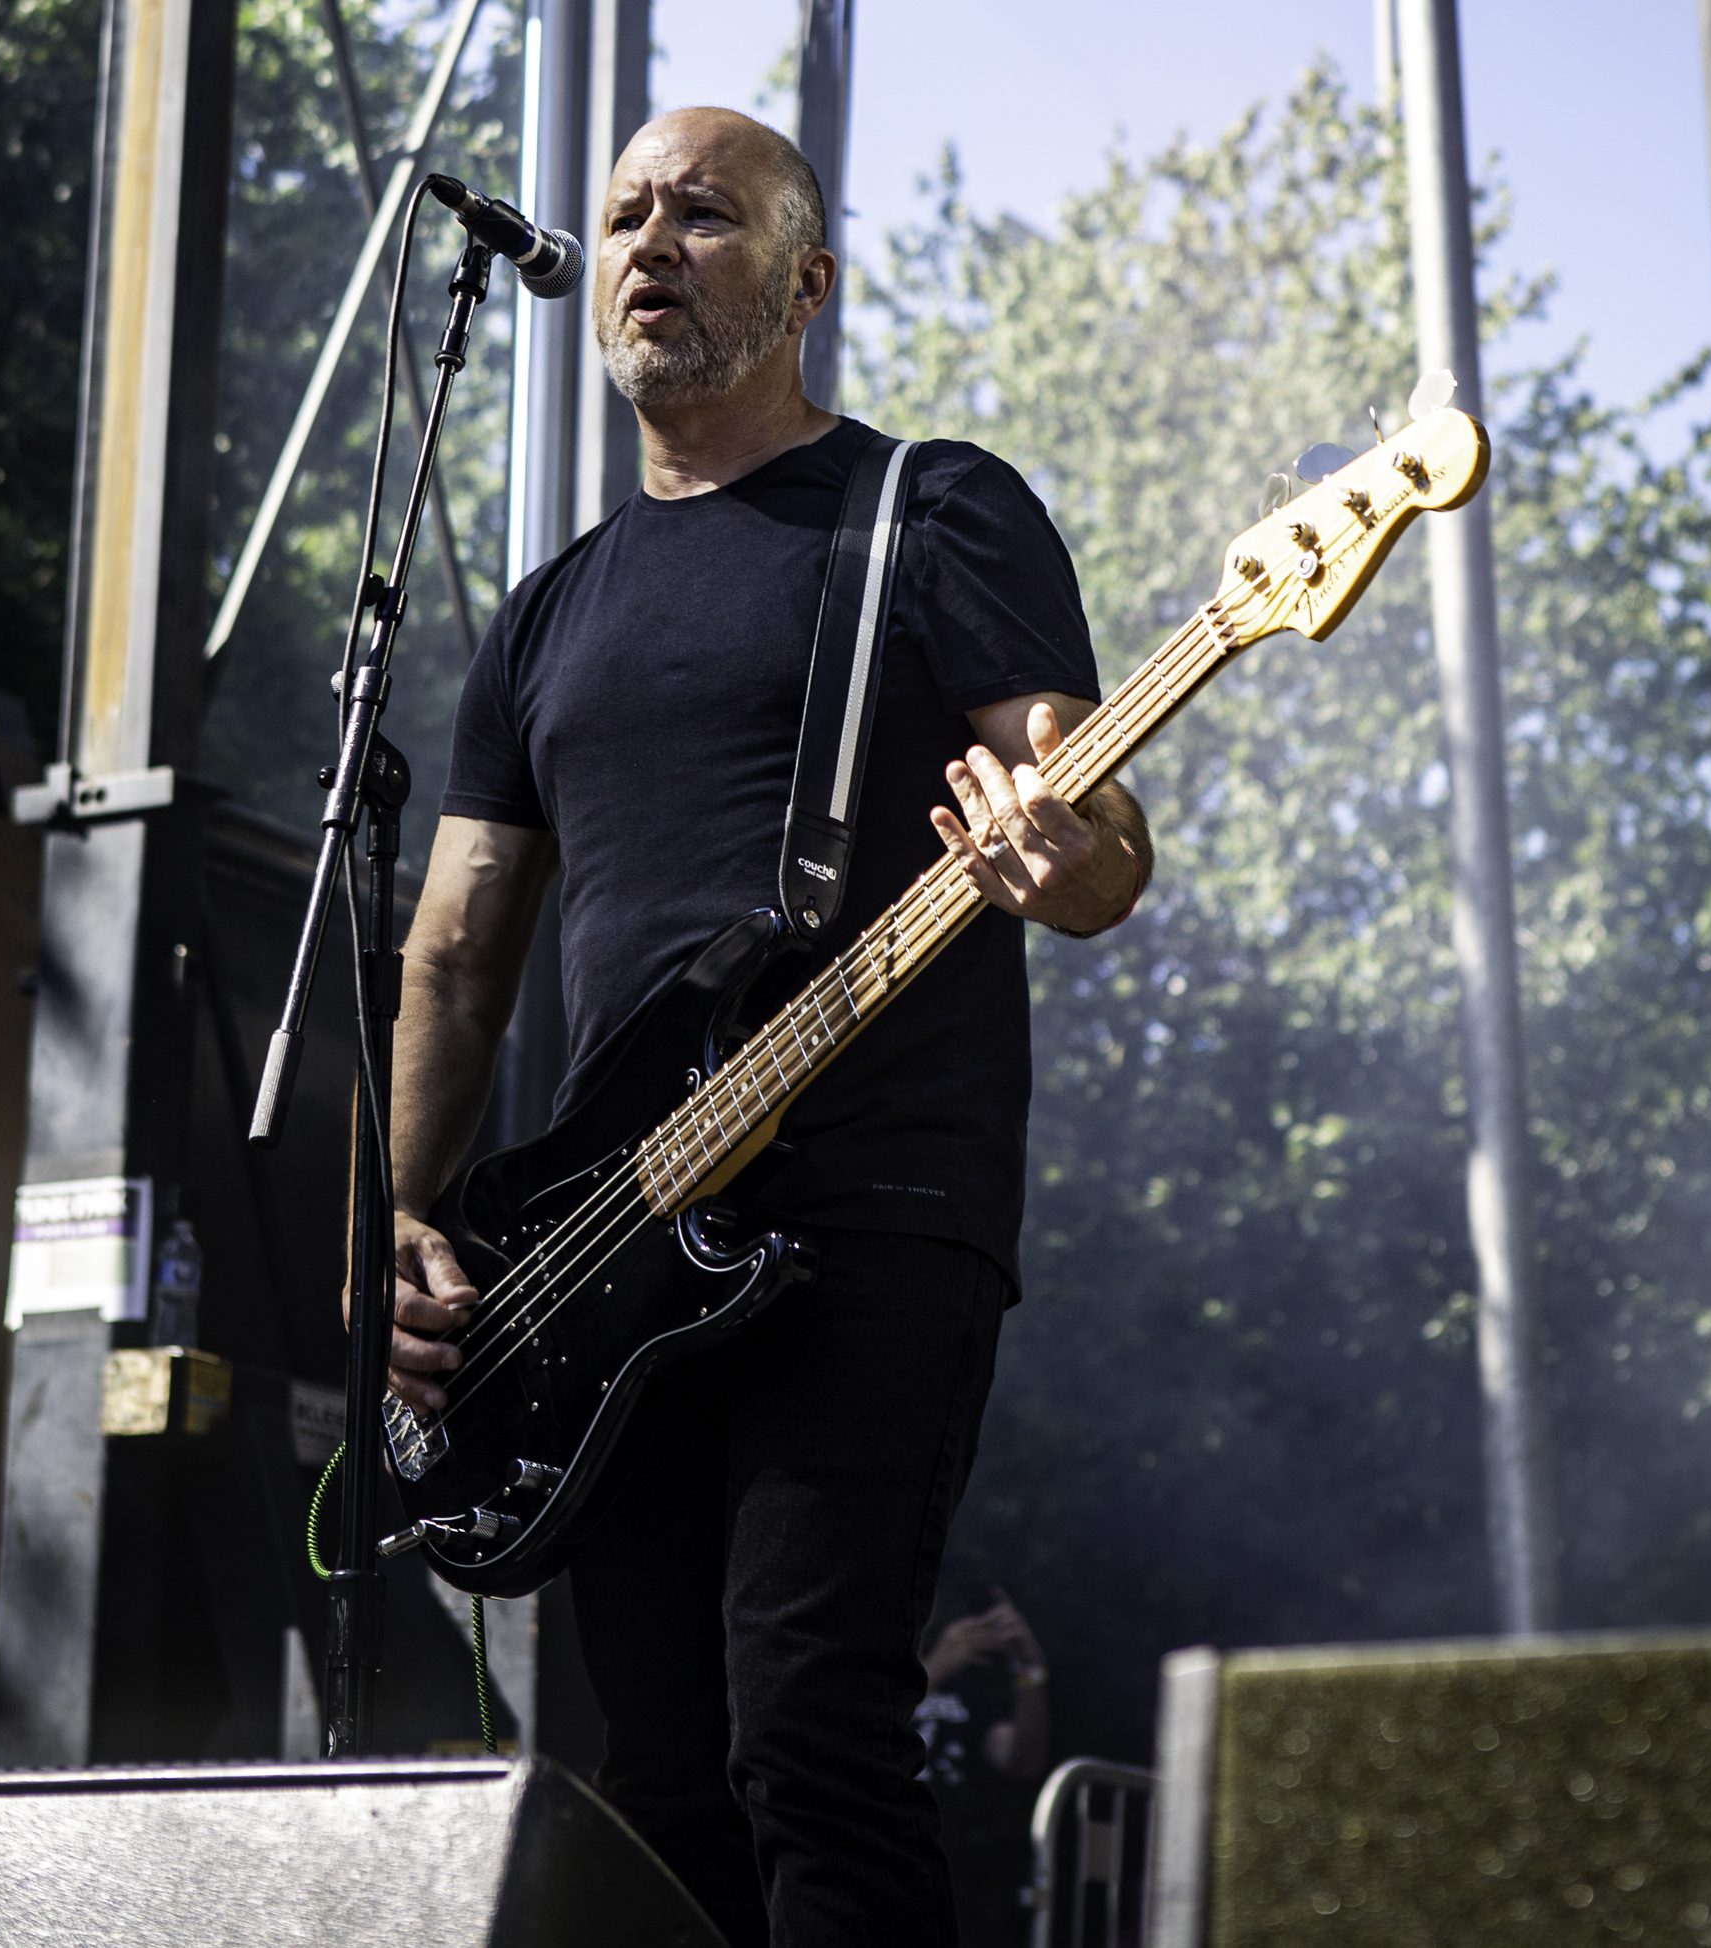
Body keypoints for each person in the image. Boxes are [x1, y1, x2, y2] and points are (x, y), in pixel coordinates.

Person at [378, 105, 1150, 1948]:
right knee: (659, 1783)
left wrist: (1070, 856)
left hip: (871, 1204)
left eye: (705, 215)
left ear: (807, 285)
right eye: (626, 214)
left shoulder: (929, 512)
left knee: (810, 1728)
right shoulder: (543, 618)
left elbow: (1095, 824)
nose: (650, 242)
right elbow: (456, 959)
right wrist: (394, 1217)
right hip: (608, 1253)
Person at [917, 1587, 1052, 1948]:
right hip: (880, 1853)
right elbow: (853, 1737)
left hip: (954, 1866)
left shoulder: (969, 1695)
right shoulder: (875, 1682)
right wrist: (935, 1668)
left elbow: (1022, 1760)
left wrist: (1029, 1669)